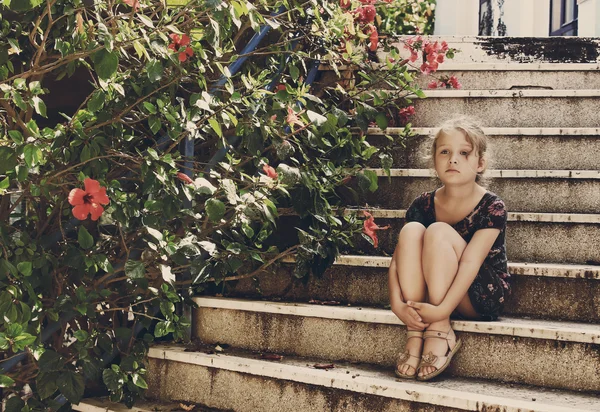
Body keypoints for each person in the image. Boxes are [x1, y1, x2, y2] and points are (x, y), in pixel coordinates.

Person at [388, 117, 510, 381]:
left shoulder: (492, 206)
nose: (453, 159)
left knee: (439, 230)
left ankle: (440, 328)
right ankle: (415, 330)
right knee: (411, 231)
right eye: (445, 152)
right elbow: (398, 261)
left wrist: (442, 312)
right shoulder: (422, 204)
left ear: (480, 164)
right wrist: (397, 304)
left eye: (464, 153)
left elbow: (470, 263)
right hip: (429, 294)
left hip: (477, 292)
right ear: (434, 160)